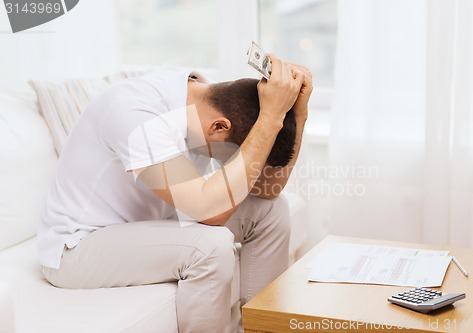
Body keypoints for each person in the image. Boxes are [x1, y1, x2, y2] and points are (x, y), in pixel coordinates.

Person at [37, 54, 312, 333]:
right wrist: (269, 117)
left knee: (272, 212)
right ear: (219, 127)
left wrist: (298, 113)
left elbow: (268, 190)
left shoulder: (208, 99)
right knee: (209, 245)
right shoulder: (135, 114)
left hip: (150, 223)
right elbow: (209, 212)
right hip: (77, 248)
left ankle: (262, 329)